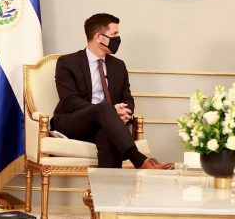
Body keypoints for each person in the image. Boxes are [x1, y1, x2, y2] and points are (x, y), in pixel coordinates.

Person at [50, 13, 174, 169]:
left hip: (107, 125)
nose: (118, 39)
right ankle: (139, 159)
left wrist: (122, 112)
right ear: (99, 37)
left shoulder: (118, 66)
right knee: (104, 107)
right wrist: (108, 110)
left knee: (107, 135)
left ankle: (107, 192)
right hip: (73, 123)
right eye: (114, 34)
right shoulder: (67, 62)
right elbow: (69, 101)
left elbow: (128, 100)